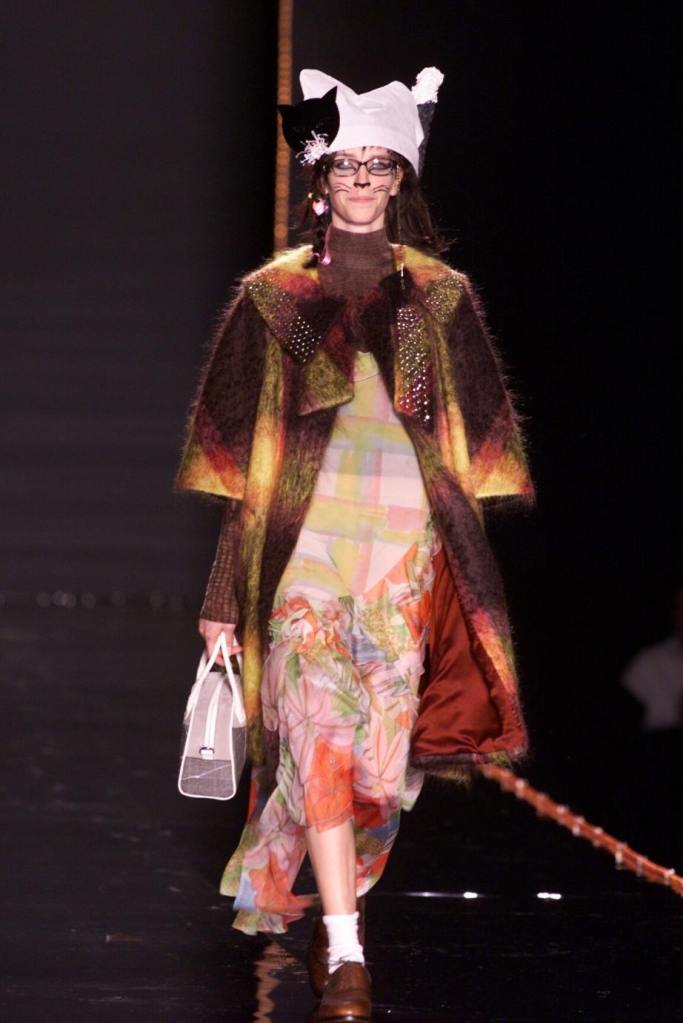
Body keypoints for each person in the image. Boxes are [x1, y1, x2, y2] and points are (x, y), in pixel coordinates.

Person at [174, 67, 535, 1021]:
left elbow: (466, 442)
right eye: (348, 164)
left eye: (381, 164)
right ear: (320, 177)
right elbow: (248, 460)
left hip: (402, 563)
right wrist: (222, 594)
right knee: (323, 745)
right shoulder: (275, 300)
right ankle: (345, 951)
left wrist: (461, 573)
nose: (364, 179)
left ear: (401, 177)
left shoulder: (436, 297)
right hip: (303, 557)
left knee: (378, 769)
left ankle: (335, 892)